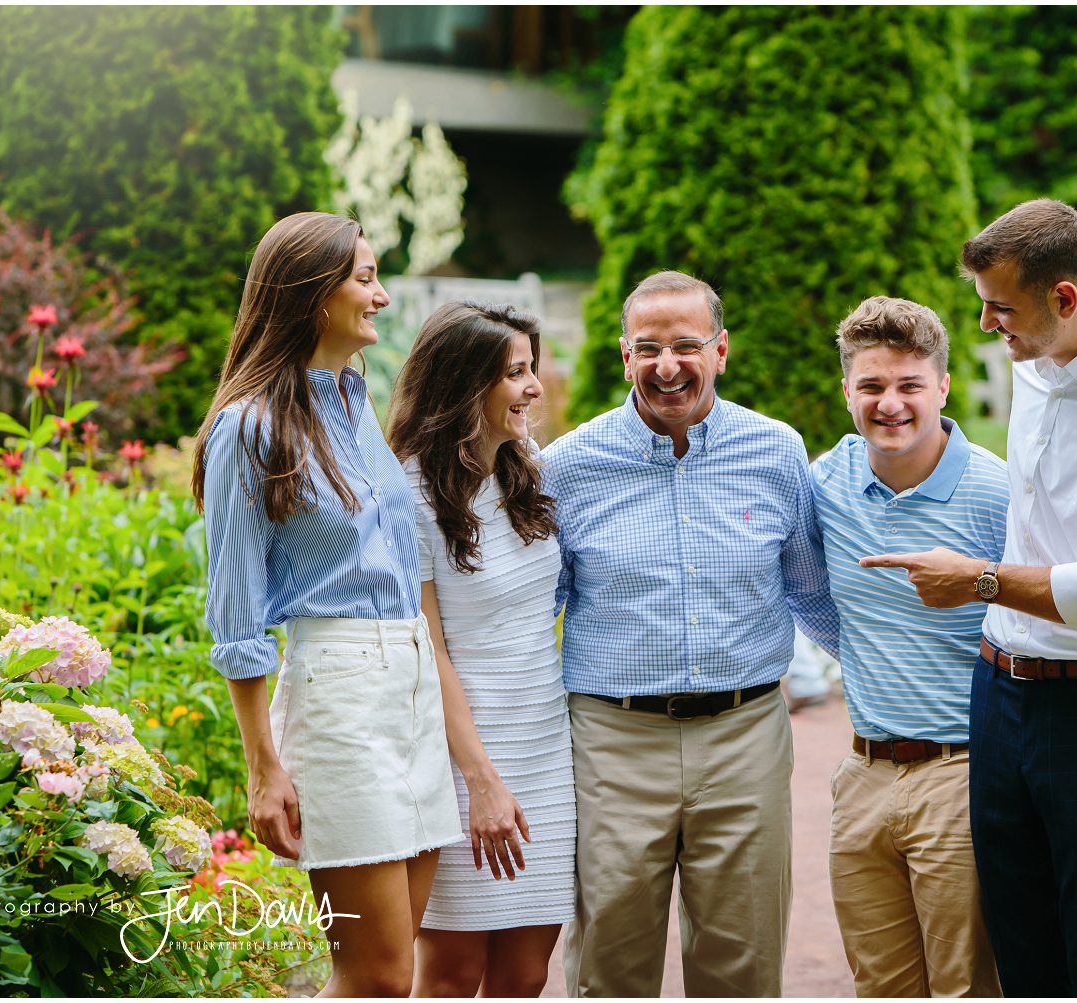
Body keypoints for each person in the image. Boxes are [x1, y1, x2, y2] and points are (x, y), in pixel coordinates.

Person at [860, 199, 1077, 996]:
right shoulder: (1035, 362)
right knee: (1021, 956)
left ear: (1063, 298)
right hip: (1002, 699)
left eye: (1001, 307)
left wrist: (978, 579)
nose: (986, 324)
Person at [542, 270, 840, 997]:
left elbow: (813, 594)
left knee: (743, 959)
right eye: (648, 348)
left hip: (746, 733)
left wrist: (900, 690)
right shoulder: (567, 467)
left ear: (721, 348)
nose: (667, 365)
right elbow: (530, 612)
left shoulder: (775, 451)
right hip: (613, 740)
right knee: (611, 962)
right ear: (623, 356)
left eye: (686, 345)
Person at [193, 211, 463, 997]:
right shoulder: (247, 428)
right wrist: (263, 767)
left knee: (396, 964)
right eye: (366, 278)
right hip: (338, 692)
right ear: (314, 294)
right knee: (373, 973)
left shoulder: (352, 399)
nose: (381, 296)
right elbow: (236, 613)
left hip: (408, 684)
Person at [815, 296, 1007, 997]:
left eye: (908, 385)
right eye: (871, 386)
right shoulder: (826, 483)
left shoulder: (997, 492)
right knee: (882, 986)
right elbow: (810, 593)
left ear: (943, 388)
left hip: (961, 772)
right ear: (846, 391)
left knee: (963, 985)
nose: (889, 403)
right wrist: (869, 652)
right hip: (862, 771)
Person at [385, 301, 574, 997]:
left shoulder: (523, 472)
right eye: (516, 373)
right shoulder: (408, 492)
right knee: (452, 974)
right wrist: (482, 782)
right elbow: (426, 649)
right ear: (466, 386)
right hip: (461, 756)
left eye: (531, 368)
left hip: (547, 754)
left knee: (525, 976)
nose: (534, 386)